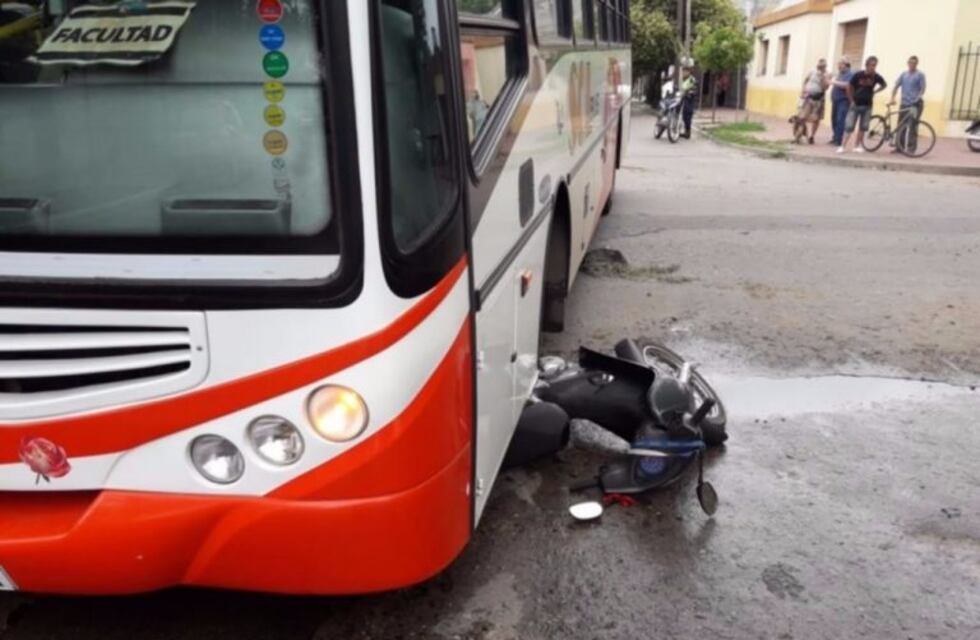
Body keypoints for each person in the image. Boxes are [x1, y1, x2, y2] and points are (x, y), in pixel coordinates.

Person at [838, 55, 887, 153]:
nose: (873, 67)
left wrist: (875, 91)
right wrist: (851, 100)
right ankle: (842, 146)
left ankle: (856, 146)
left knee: (863, 127)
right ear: (867, 65)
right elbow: (849, 86)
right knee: (849, 126)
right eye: (872, 65)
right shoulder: (858, 75)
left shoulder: (876, 76)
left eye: (875, 65)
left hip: (867, 105)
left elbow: (884, 85)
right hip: (855, 104)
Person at [889, 55, 927, 154]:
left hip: (915, 105)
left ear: (916, 64)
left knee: (913, 126)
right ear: (908, 63)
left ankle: (911, 148)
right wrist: (893, 98)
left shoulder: (920, 75)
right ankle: (899, 147)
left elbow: (922, 89)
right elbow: (896, 86)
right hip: (904, 103)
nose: (911, 64)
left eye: (914, 63)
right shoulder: (904, 74)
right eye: (910, 62)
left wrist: (917, 98)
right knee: (901, 125)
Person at [798, 59, 831, 144]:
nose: (820, 67)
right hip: (808, 97)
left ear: (825, 67)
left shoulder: (827, 74)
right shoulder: (812, 71)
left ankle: (812, 136)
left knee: (816, 119)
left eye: (822, 66)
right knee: (802, 116)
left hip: (818, 99)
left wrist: (822, 77)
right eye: (819, 66)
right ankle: (801, 134)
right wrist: (803, 90)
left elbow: (825, 88)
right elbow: (805, 80)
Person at [828, 57, 853, 146]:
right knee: (834, 119)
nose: (838, 66)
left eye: (840, 64)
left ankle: (839, 140)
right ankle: (835, 137)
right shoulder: (839, 74)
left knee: (840, 120)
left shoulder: (850, 74)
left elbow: (847, 85)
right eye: (838, 64)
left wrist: (833, 82)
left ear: (845, 64)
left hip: (844, 101)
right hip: (836, 100)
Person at [680, 65, 697, 139]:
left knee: (687, 116)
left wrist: (690, 92)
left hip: (689, 99)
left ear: (689, 72)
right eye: (683, 71)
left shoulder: (692, 79)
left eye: (685, 71)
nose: (684, 72)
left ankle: (688, 132)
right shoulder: (682, 79)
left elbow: (695, 88)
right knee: (683, 116)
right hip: (682, 98)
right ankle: (685, 131)